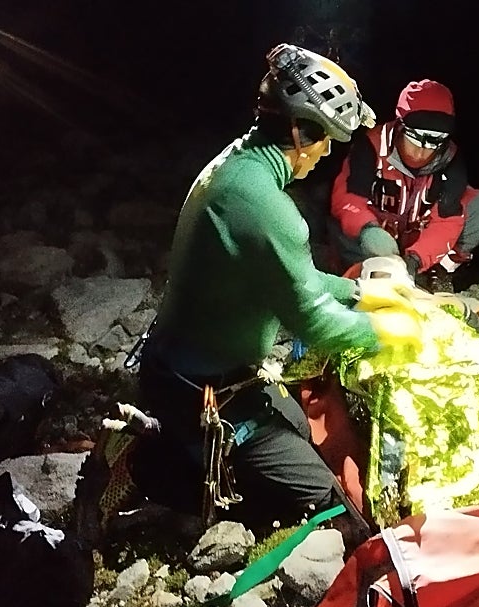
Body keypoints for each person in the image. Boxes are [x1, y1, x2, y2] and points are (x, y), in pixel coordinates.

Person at [75, 44, 423, 553]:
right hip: (205, 391)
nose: (328, 153)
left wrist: (360, 290)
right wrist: (396, 332)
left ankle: (176, 446)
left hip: (197, 369)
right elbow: (315, 324)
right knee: (331, 516)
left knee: (303, 432)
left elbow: (289, 279)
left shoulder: (239, 170)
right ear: (301, 133)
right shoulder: (263, 205)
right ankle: (149, 462)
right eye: (326, 140)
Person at [329, 78, 479, 293]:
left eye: (434, 142)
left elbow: (447, 222)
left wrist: (415, 259)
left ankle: (436, 271)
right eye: (415, 138)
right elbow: (347, 199)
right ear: (400, 126)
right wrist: (367, 230)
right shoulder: (372, 146)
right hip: (377, 237)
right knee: (340, 226)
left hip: (417, 235)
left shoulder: (451, 160)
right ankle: (355, 272)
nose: (422, 152)